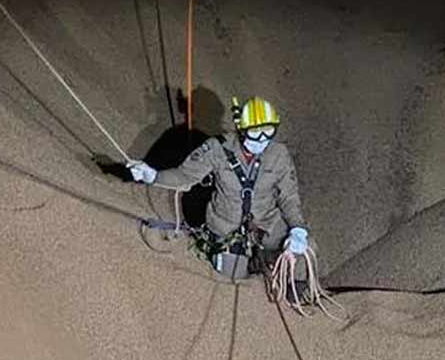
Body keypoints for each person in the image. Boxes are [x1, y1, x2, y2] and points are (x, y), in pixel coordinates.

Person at [127, 96, 310, 277]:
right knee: (232, 275)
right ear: (241, 129)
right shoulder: (217, 148)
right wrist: (154, 176)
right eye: (255, 132)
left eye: (268, 131)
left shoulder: (279, 154)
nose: (262, 139)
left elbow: (289, 196)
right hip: (226, 226)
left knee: (304, 253)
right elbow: (185, 176)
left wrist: (297, 229)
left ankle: (285, 279)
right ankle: (254, 263)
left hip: (267, 222)